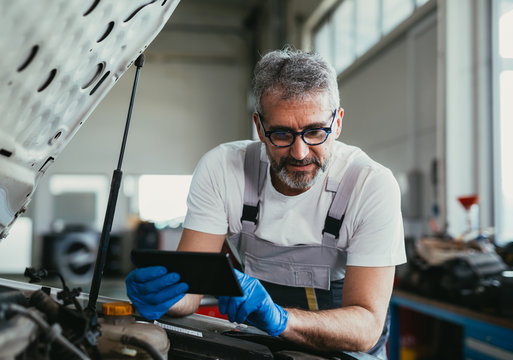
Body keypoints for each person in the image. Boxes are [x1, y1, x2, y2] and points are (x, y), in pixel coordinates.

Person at [125, 48, 406, 359]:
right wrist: (163, 295)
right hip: (260, 344)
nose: (300, 152)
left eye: (315, 132)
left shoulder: (370, 185)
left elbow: (366, 327)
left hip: (346, 351)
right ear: (259, 127)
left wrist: (281, 319)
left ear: (337, 123)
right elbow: (190, 295)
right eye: (282, 134)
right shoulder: (222, 169)